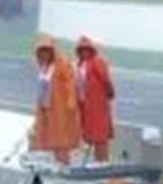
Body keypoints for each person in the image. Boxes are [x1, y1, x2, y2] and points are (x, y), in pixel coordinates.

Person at [32, 36, 81, 166]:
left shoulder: (63, 64)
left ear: (52, 51)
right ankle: (58, 163)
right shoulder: (44, 67)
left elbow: (70, 82)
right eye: (42, 51)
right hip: (47, 108)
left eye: (47, 51)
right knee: (53, 138)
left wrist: (71, 100)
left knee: (62, 139)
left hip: (61, 109)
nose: (45, 54)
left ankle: (65, 164)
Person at [75, 36, 116, 163]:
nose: (84, 52)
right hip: (85, 106)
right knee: (92, 134)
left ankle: (103, 162)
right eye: (81, 50)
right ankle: (97, 161)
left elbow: (106, 80)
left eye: (86, 50)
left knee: (101, 135)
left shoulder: (97, 61)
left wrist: (109, 94)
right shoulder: (79, 64)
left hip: (98, 105)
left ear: (91, 50)